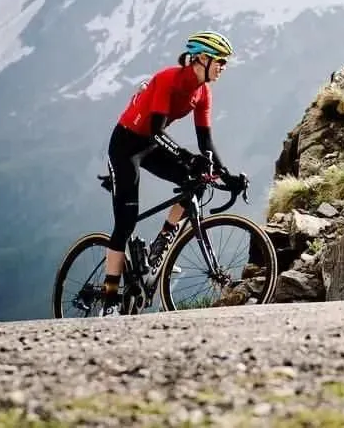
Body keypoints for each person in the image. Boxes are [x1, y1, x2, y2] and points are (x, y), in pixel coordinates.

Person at [99, 29, 247, 317]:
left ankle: (160, 249)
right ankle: (110, 300)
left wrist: (226, 176)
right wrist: (186, 157)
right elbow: (155, 131)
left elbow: (206, 142)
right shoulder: (169, 79)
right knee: (126, 222)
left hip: (152, 146)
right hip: (126, 146)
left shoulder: (203, 92)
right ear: (201, 58)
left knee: (196, 181)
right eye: (220, 61)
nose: (223, 67)